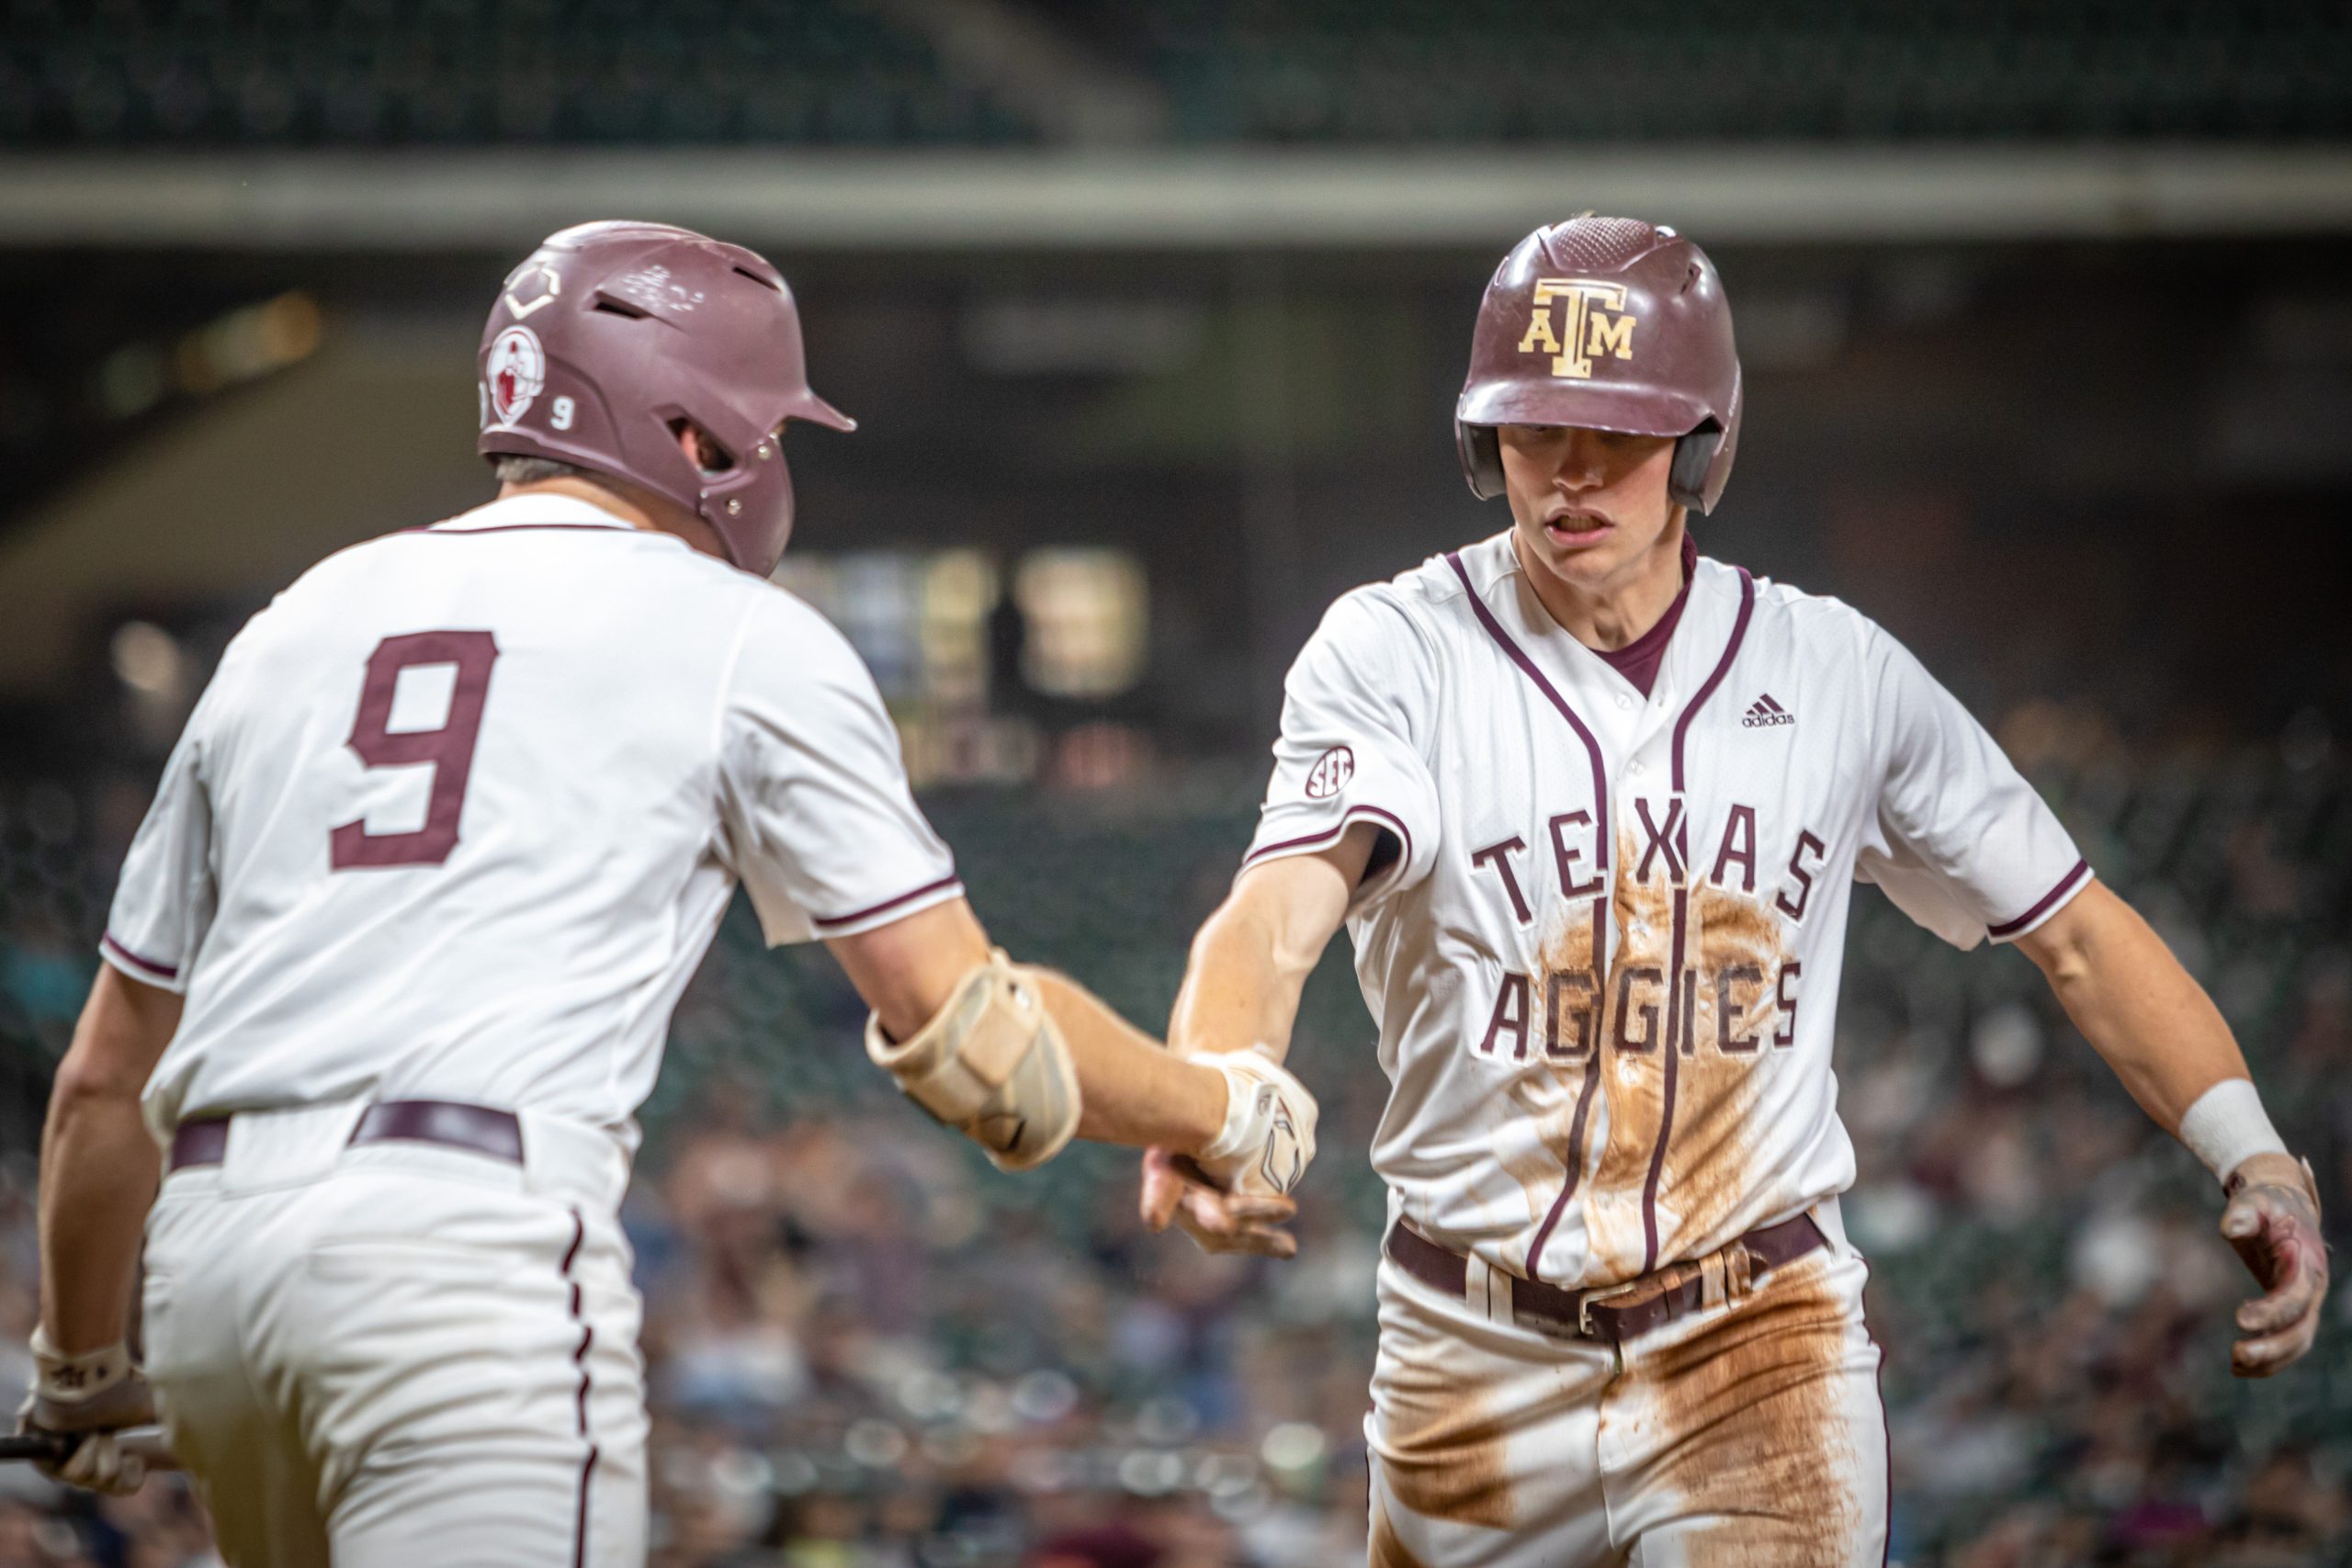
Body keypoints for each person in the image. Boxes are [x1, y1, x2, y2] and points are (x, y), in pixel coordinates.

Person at [23, 220, 1313, 1567]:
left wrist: (80, 1369)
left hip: (212, 1271)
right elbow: (985, 1053)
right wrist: (1218, 1107)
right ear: (695, 437)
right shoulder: (736, 633)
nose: (774, 459)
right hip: (461, 1254)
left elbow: (104, 1087)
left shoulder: (291, 624)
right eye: (767, 428)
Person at [1140, 214, 2328, 1566]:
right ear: (1486, 441)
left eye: (1620, 437)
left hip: (1758, 1333)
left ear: (1703, 442)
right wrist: (1215, 1089)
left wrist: (2256, 1154)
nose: (1572, 479)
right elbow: (1278, 910)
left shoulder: (1839, 672)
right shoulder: (1393, 651)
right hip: (1466, 1351)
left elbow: (2075, 930)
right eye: (1538, 432)